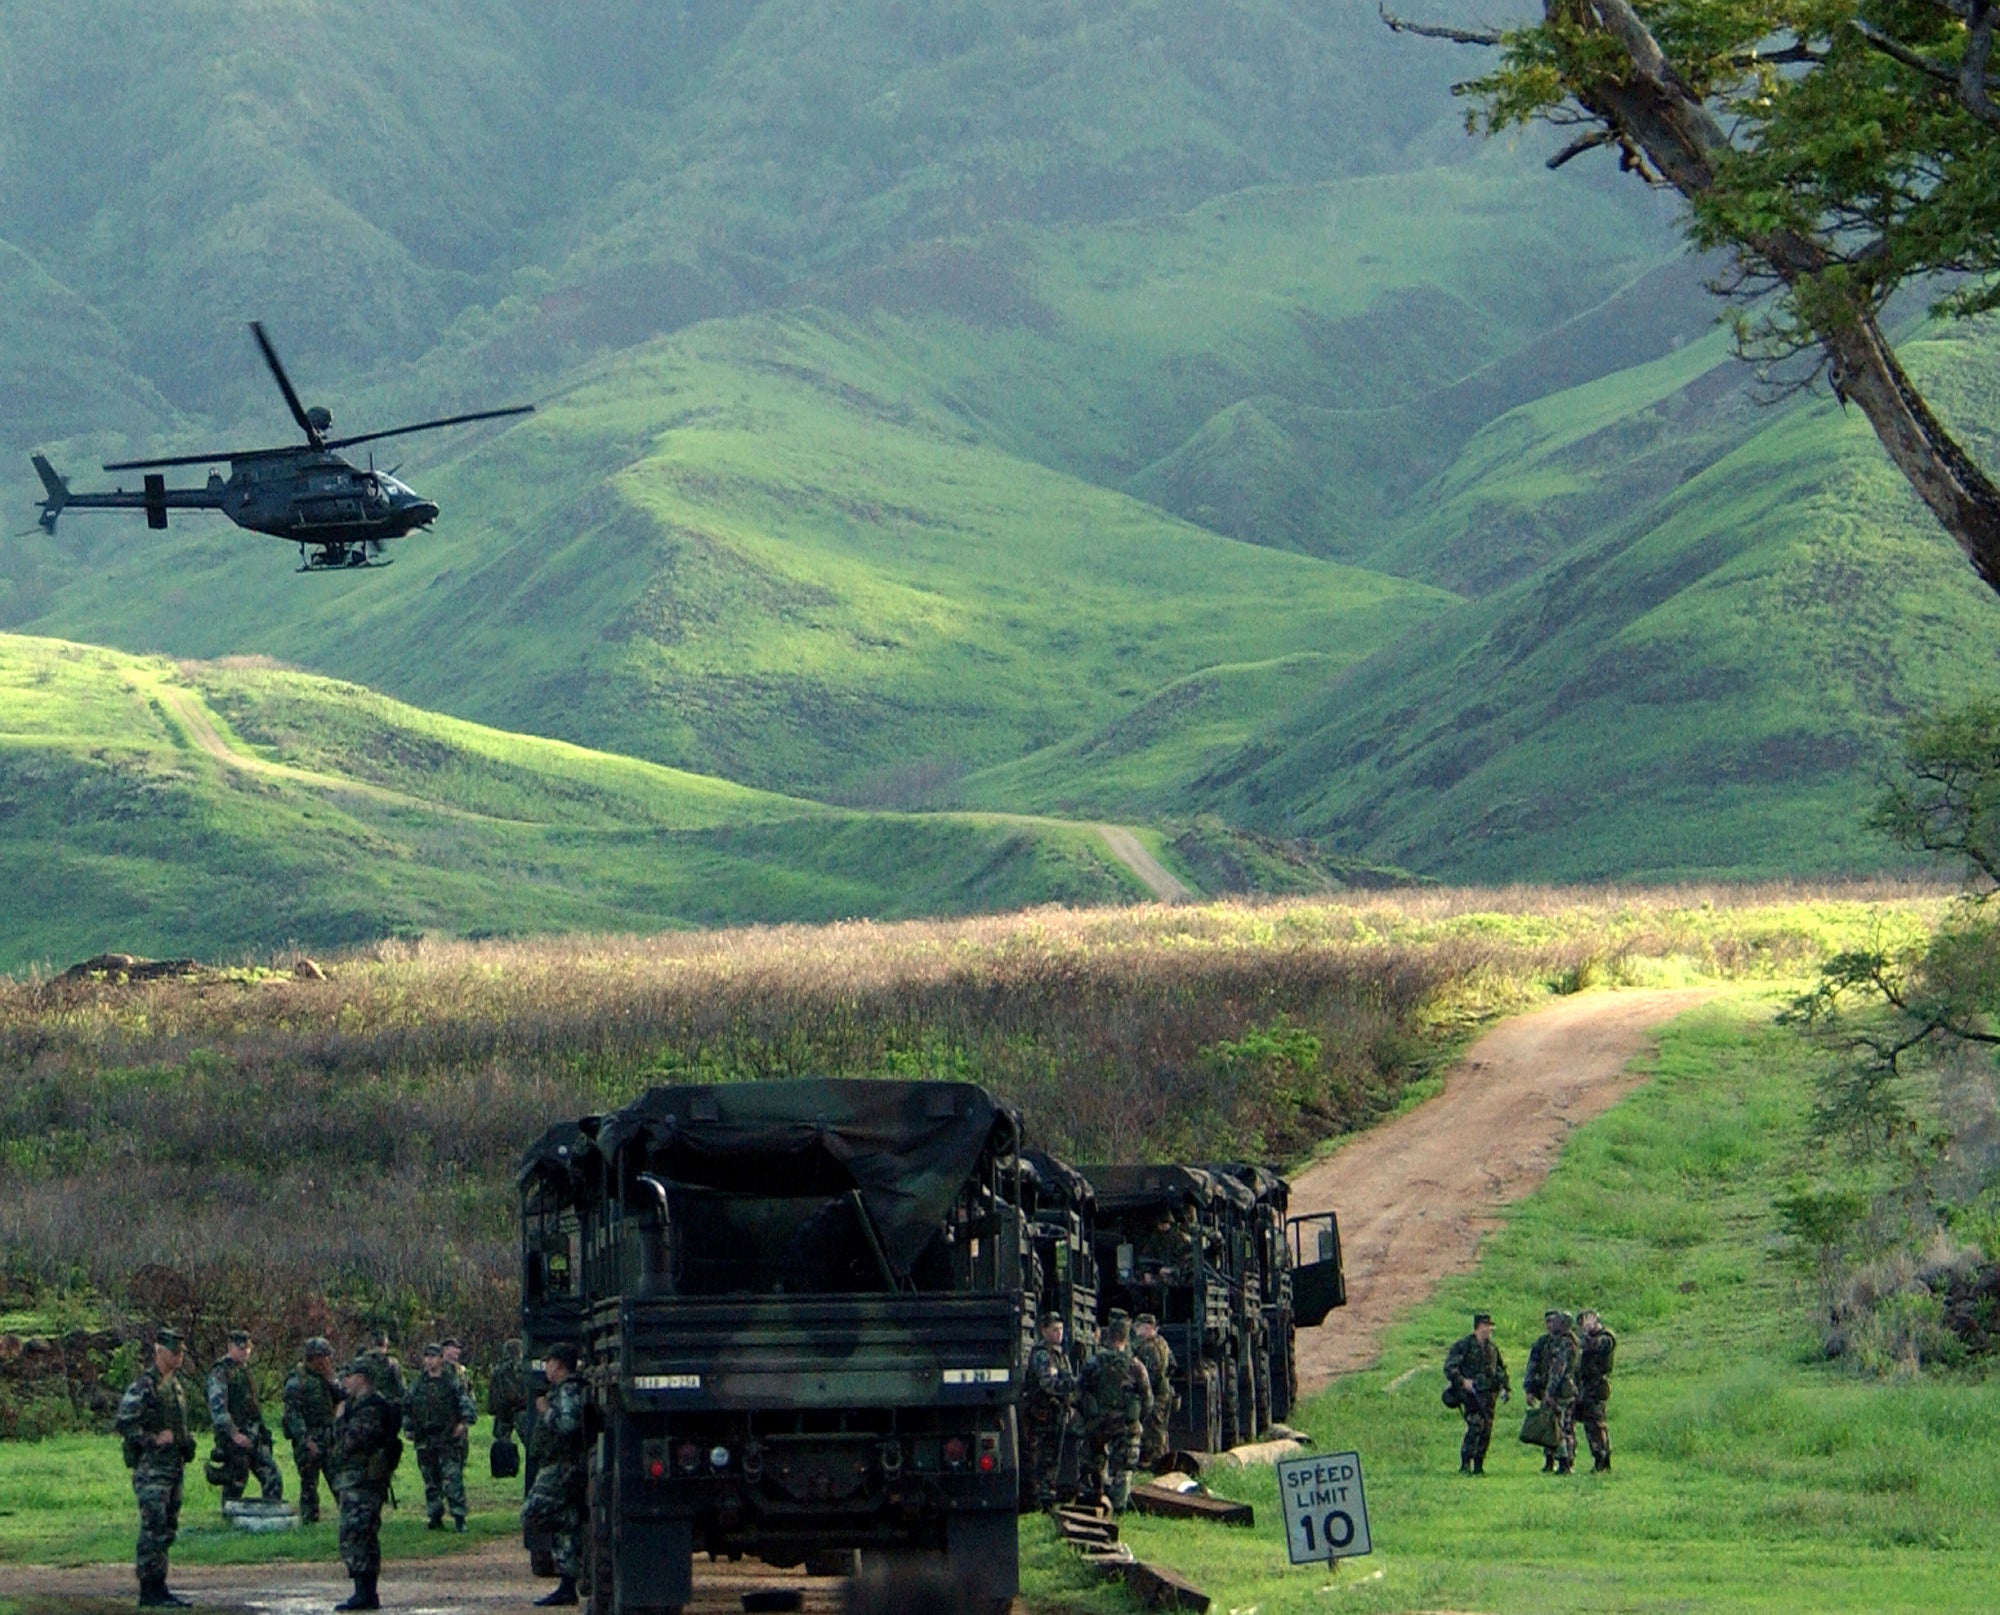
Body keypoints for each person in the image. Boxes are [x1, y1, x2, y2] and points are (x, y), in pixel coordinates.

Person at [115, 1325, 199, 1609]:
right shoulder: (144, 1385)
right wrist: (152, 1439)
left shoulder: (175, 1386)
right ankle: (148, 1590)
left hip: (173, 1468)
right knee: (153, 1527)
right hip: (152, 1471)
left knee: (167, 1528)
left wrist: (186, 1441)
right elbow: (125, 1423)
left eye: (181, 1354)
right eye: (174, 1353)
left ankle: (160, 1586)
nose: (179, 1358)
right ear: (159, 1352)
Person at [330, 1358, 402, 1612]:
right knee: (362, 1534)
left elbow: (352, 1441)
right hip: (357, 1479)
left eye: (348, 1376)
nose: (345, 1382)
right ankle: (365, 1591)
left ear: (361, 1378)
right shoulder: (358, 1405)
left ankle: (365, 1592)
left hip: (364, 1481)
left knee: (356, 1534)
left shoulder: (372, 1408)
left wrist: (339, 1420)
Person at [524, 1342, 587, 1606]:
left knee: (535, 1512)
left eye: (549, 1362)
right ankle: (567, 1582)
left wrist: (546, 1412)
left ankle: (575, 1526)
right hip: (556, 1463)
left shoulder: (569, 1390)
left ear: (558, 1364)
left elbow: (568, 1424)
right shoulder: (560, 1390)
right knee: (559, 1523)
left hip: (563, 1465)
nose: (546, 1367)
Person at [1077, 1311, 1150, 1513]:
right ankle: (1117, 1507)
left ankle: (1094, 1498)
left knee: (1094, 1461)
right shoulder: (1136, 1367)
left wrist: (1090, 1417)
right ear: (1127, 1337)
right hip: (1126, 1425)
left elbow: (1080, 1392)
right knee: (1124, 1470)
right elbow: (1147, 1399)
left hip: (1099, 1425)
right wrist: (1136, 1420)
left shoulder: (1093, 1363)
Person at [206, 1329, 284, 1506]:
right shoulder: (220, 1372)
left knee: (272, 1475)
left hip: (252, 1434)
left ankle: (271, 1514)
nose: (245, 1352)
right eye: (241, 1348)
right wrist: (234, 1434)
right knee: (236, 1481)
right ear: (230, 1346)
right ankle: (231, 1519)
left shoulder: (243, 1371)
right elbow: (218, 1409)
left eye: (247, 1348)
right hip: (233, 1437)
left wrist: (262, 1432)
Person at [406, 1342, 478, 1531]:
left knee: (452, 1480)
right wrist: (409, 1427)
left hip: (447, 1438)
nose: (429, 1361)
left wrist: (463, 1424)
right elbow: (408, 1406)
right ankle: (435, 1516)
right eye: (427, 1357)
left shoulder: (451, 1381)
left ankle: (459, 1517)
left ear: (440, 1359)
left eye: (433, 1357)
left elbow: (466, 1404)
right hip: (425, 1439)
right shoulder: (419, 1383)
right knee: (431, 1482)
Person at [1441, 1312, 1510, 1475]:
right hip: (1472, 1395)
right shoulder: (1464, 1345)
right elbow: (1450, 1367)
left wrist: (1506, 1387)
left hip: (1489, 1395)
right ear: (1479, 1327)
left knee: (1486, 1429)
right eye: (1486, 1326)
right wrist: (1463, 1381)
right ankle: (1466, 1462)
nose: (1489, 1330)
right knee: (1475, 1426)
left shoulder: (1492, 1348)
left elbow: (1500, 1369)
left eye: (1490, 1327)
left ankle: (1479, 1464)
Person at [1020, 1311, 1076, 1510]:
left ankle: (1047, 1496)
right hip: (1042, 1415)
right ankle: (1040, 1499)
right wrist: (1070, 1386)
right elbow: (1049, 1384)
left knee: (1053, 1458)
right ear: (1044, 1331)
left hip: (1056, 1413)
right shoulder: (1042, 1355)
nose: (1058, 1333)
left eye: (1060, 1329)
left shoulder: (1059, 1354)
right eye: (1054, 1329)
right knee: (1041, 1458)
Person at [282, 1338, 341, 1525]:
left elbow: (343, 1397)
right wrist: (306, 1440)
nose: (328, 1362)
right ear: (314, 1358)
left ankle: (349, 1516)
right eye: (324, 1357)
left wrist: (332, 1381)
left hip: (328, 1436)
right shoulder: (297, 1381)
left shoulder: (326, 1378)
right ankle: (309, 1520)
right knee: (309, 1484)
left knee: (338, 1480)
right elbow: (293, 1415)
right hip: (308, 1439)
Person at [1524, 1309, 1583, 1475]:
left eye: (1556, 1321)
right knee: (1552, 1426)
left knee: (1562, 1427)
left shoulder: (1567, 1343)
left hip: (1562, 1392)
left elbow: (1558, 1370)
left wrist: (1549, 1392)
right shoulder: (1551, 1342)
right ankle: (1553, 1460)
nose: (1552, 1324)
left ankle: (1565, 1462)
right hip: (1560, 1390)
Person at [1131, 1313, 1177, 1466]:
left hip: (1156, 1394)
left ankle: (1156, 1462)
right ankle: (1163, 1458)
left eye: (1139, 1328)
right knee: (1161, 1428)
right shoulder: (1163, 1343)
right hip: (1165, 1391)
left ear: (1147, 1328)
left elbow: (1151, 1374)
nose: (1137, 1332)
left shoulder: (1149, 1347)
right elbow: (1172, 1366)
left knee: (1154, 1429)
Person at [1577, 1309, 1617, 1472]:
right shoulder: (1591, 1337)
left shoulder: (1606, 1337)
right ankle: (1598, 1458)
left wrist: (1586, 1333)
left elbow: (1591, 1346)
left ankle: (1603, 1459)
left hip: (1597, 1386)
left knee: (1597, 1424)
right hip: (1586, 1386)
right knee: (1589, 1424)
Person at [357, 1329, 406, 1410]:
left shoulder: (361, 1361)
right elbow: (401, 1388)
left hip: (365, 1405)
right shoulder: (392, 1362)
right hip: (384, 1407)